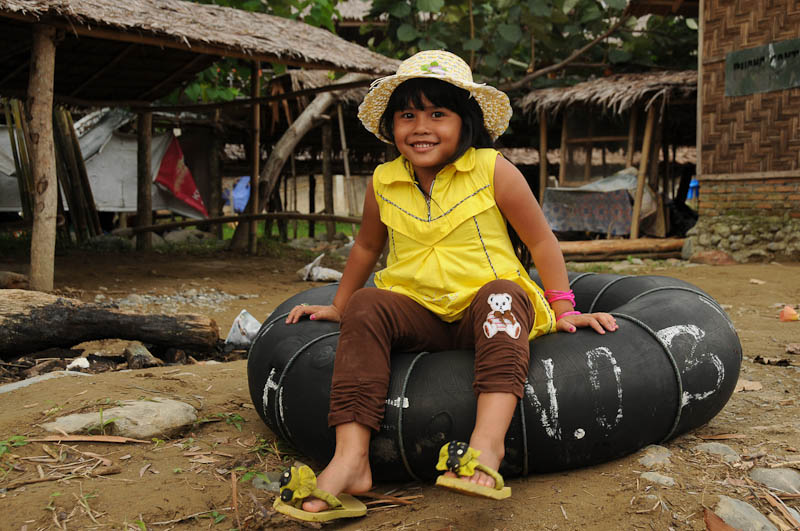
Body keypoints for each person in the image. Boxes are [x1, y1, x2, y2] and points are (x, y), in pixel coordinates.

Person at [280, 50, 618, 518]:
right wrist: (340, 305)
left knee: (501, 292)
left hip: (487, 307)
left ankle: (486, 447)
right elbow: (364, 248)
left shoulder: (492, 169)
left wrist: (564, 309)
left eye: (438, 113)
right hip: (418, 312)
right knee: (366, 303)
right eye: (407, 115)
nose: (421, 127)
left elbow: (541, 242)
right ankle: (352, 459)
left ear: (466, 122)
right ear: (391, 127)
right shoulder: (384, 181)